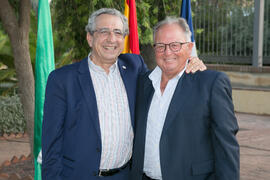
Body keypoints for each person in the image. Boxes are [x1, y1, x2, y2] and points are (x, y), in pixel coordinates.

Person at [41, 8, 206, 180]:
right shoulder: (62, 80)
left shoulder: (134, 67)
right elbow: (51, 145)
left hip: (125, 176)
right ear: (90, 38)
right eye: (104, 31)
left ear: (124, 38)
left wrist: (190, 63)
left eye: (118, 32)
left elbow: (167, 79)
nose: (111, 39)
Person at [131, 16, 240, 180]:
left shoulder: (210, 84)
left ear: (189, 48)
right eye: (161, 46)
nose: (168, 52)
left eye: (175, 45)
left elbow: (226, 147)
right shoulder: (142, 83)